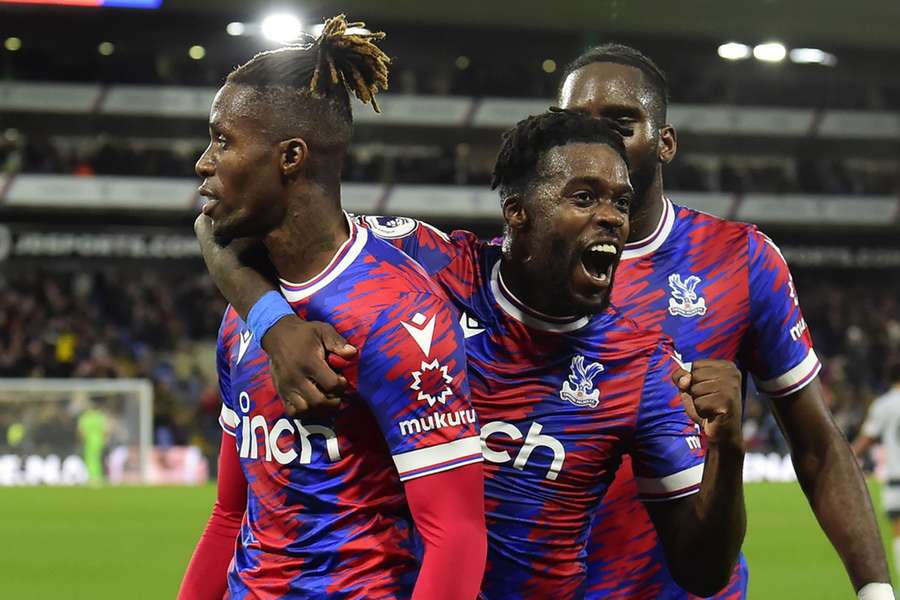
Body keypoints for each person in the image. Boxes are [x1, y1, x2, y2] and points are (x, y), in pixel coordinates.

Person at [195, 109, 748, 598]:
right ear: (517, 212)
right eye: (583, 197)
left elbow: (702, 572)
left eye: (620, 202)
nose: (612, 217)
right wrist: (276, 325)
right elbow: (234, 231)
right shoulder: (425, 265)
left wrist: (727, 451)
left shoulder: (643, 365)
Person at [554, 43, 890, 599]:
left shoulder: (739, 259)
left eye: (620, 123)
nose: (595, 144)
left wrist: (875, 591)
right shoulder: (511, 269)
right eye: (572, 125)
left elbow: (817, 446)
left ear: (666, 142)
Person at [177, 16, 487, 600]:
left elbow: (456, 535)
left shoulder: (399, 310)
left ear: (291, 157)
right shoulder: (245, 309)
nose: (203, 162)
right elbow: (228, 513)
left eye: (222, 140)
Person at [854, 360, 900, 588]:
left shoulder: (884, 405)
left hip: (896, 483)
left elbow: (866, 440)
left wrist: (847, 458)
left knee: (899, 535)